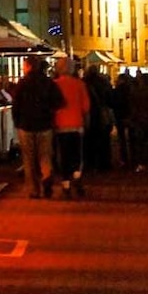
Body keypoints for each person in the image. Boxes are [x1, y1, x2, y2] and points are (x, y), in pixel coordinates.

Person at [12, 55, 65, 199]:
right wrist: (49, 111)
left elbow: (15, 105)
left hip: (26, 125)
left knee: (29, 159)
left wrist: (17, 121)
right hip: (45, 125)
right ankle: (47, 176)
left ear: (29, 66)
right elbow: (59, 102)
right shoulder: (48, 82)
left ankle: (34, 189)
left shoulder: (22, 84)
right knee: (45, 156)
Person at [53, 57, 90, 198]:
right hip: (76, 124)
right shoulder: (79, 85)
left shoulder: (55, 85)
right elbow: (86, 107)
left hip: (59, 125)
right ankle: (76, 174)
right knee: (77, 154)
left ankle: (66, 182)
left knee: (63, 155)